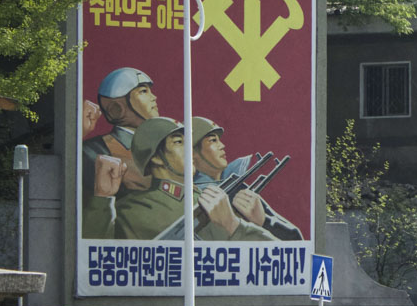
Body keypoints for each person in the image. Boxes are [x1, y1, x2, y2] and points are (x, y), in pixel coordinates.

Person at [82, 117, 276, 241]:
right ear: (156, 157)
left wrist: (255, 224)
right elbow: (96, 260)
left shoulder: (217, 203)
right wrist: (102, 200)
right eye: (178, 142)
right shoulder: (131, 211)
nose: (189, 149)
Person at [190, 116, 303, 240]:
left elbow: (295, 239)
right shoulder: (189, 196)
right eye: (212, 141)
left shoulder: (236, 187)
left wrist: (263, 221)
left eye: (218, 140)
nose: (222, 145)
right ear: (192, 152)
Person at [81, 67, 159, 205]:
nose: (154, 98)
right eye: (143, 91)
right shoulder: (93, 151)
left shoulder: (161, 145)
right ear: (118, 108)